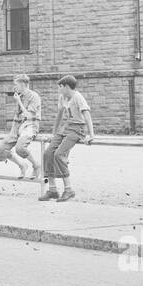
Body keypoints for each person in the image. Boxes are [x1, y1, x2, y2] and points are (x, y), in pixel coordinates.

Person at [40, 74, 93, 202]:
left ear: (67, 87)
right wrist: (54, 133)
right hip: (65, 127)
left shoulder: (77, 97)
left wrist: (91, 135)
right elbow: (59, 115)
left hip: (77, 128)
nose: (59, 90)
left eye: (61, 87)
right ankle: (52, 190)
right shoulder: (62, 97)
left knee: (59, 154)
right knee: (47, 153)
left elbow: (87, 115)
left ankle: (69, 190)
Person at [0, 73, 42, 180]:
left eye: (16, 84)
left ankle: (36, 165)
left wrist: (18, 102)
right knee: (1, 150)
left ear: (23, 84)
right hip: (17, 126)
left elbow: (29, 115)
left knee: (20, 148)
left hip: (30, 125)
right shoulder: (19, 95)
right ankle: (22, 165)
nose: (14, 87)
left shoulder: (34, 96)